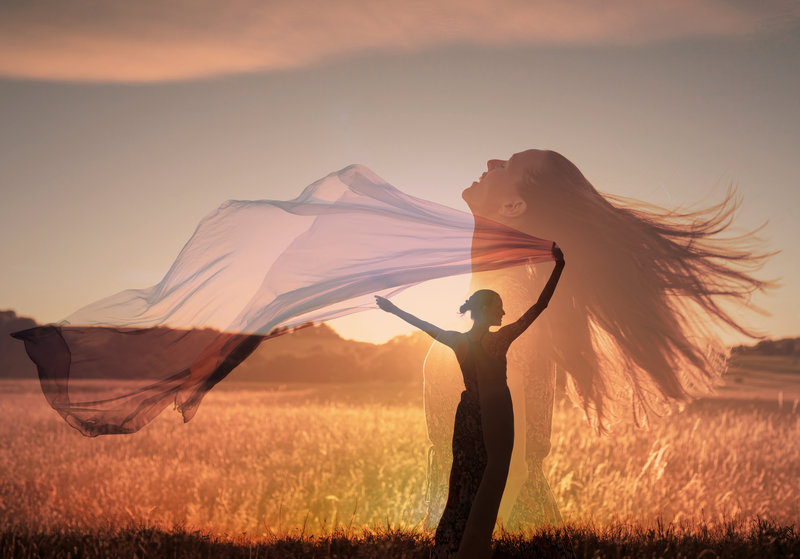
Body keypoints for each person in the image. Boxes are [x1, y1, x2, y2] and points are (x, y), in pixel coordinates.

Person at [423, 149, 774, 530]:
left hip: (499, 530)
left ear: (513, 205)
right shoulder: (489, 292)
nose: (492, 163)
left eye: (507, 165)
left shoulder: (505, 302)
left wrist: (469, 544)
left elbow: (510, 464)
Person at [376, 242, 565, 559]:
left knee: (463, 476)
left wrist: (393, 310)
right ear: (487, 310)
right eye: (499, 307)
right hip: (496, 410)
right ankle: (474, 547)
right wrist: (559, 267)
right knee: (494, 474)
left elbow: (424, 325)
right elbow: (540, 306)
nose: (503, 313)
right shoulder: (500, 340)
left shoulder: (458, 341)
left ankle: (452, 542)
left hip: (467, 412)